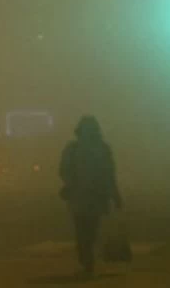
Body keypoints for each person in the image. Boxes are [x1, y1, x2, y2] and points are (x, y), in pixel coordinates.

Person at [58, 115, 123, 278]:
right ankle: (87, 258)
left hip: (79, 198)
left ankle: (86, 258)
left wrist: (72, 183)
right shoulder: (103, 149)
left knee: (82, 230)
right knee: (91, 230)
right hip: (96, 197)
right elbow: (110, 174)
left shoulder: (72, 149)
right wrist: (115, 195)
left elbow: (63, 171)